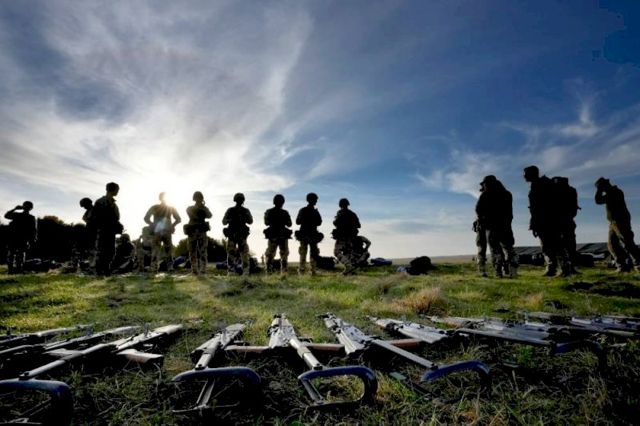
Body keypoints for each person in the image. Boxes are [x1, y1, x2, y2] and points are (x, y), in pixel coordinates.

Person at [524, 166, 571, 277]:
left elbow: (545, 206)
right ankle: (553, 268)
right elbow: (534, 209)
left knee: (555, 245)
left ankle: (564, 269)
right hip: (544, 221)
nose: (524, 176)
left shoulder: (543, 185)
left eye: (526, 174)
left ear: (532, 174)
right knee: (547, 246)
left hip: (549, 221)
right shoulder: (537, 185)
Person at [475, 175, 518, 278]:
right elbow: (509, 213)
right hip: (505, 226)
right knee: (508, 249)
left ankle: (498, 272)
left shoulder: (486, 194)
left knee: (495, 250)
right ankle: (512, 271)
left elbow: (478, 209)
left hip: (491, 226)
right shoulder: (507, 194)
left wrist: (482, 220)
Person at [595, 177, 640, 272]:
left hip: (620, 221)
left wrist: (599, 190)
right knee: (612, 244)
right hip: (613, 222)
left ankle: (638, 264)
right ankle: (622, 266)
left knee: (627, 243)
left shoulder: (614, 192)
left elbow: (598, 201)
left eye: (600, 187)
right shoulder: (611, 192)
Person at [144, 192, 181, 273]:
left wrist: (152, 224)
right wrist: (172, 225)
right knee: (165, 249)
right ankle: (167, 267)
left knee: (160, 249)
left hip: (161, 230)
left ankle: (156, 267)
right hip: (162, 230)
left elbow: (146, 218)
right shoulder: (169, 208)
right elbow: (178, 219)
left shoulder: (156, 207)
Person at [92, 182, 123, 276]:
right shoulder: (100, 201)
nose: (118, 191)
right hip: (103, 230)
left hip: (111, 231)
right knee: (102, 250)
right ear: (113, 189)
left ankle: (106, 269)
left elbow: (117, 217)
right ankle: (100, 271)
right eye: (117, 189)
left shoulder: (114, 204)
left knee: (111, 251)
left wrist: (118, 225)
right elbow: (96, 217)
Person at [222, 193, 253, 275]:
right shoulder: (231, 210)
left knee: (243, 254)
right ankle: (232, 272)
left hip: (241, 234)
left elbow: (250, 221)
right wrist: (231, 220)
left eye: (240, 199)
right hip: (232, 234)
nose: (240, 201)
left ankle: (244, 272)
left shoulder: (245, 211)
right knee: (232, 253)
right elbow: (224, 221)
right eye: (239, 199)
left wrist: (243, 218)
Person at [554, 176, 580, 273]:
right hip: (567, 221)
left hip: (562, 221)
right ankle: (569, 267)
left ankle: (567, 268)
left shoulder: (561, 192)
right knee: (569, 245)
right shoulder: (571, 191)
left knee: (564, 245)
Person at [4, 201, 37, 274]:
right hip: (18, 238)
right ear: (31, 208)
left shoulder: (18, 215)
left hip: (16, 238)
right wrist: (32, 239)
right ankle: (16, 270)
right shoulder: (30, 217)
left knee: (14, 255)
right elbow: (34, 230)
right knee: (18, 255)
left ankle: (12, 270)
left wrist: (14, 209)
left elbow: (6, 215)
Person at [184, 191, 212, 276]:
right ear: (194, 199)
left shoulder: (204, 208)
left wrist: (203, 208)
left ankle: (203, 270)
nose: (198, 199)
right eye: (197, 198)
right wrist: (201, 209)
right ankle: (194, 270)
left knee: (202, 251)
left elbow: (210, 215)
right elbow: (191, 214)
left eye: (199, 198)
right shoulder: (190, 208)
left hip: (201, 231)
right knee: (192, 251)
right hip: (192, 231)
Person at [263, 194, 292, 275]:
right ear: (283, 202)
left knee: (270, 255)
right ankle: (284, 273)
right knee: (284, 255)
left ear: (274, 202)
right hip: (282, 236)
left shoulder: (269, 211)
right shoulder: (285, 212)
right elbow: (289, 224)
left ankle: (269, 273)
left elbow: (266, 222)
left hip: (273, 235)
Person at [296, 192, 323, 276]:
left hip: (309, 234)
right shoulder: (309, 211)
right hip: (307, 234)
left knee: (309, 253)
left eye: (316, 200)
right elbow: (298, 221)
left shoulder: (306, 210)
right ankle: (308, 271)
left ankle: (308, 271)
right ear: (310, 200)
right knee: (306, 253)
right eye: (315, 200)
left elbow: (319, 222)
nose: (316, 201)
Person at [332, 198, 361, 275]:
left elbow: (336, 223)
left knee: (337, 252)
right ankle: (350, 271)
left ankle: (349, 266)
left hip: (342, 236)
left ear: (340, 205)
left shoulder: (340, 213)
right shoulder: (352, 214)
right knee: (347, 253)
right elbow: (358, 225)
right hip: (351, 237)